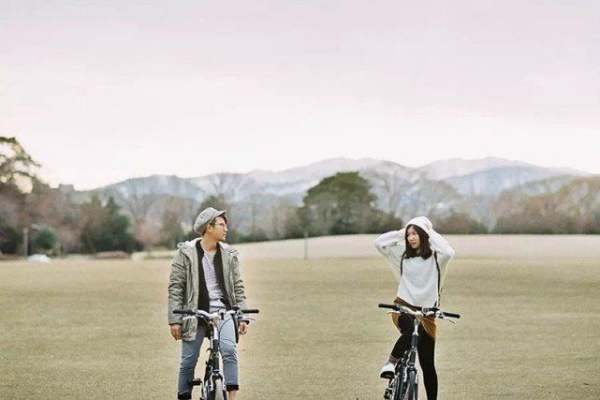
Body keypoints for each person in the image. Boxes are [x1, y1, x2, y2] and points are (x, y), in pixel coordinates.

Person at [168, 207, 249, 400]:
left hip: (224, 312)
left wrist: (243, 315)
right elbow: (176, 287)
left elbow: (238, 286)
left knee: (229, 351)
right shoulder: (185, 253)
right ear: (208, 228)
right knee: (188, 361)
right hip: (194, 313)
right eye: (221, 225)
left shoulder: (229, 254)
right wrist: (175, 320)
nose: (226, 229)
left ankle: (231, 397)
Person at [374, 216, 455, 400]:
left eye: (415, 233)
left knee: (428, 365)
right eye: (408, 234)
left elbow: (449, 252)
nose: (410, 237)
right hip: (403, 307)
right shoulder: (402, 256)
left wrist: (427, 229)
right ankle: (390, 363)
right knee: (409, 331)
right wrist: (402, 232)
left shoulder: (437, 258)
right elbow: (378, 243)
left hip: (427, 313)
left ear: (424, 235)